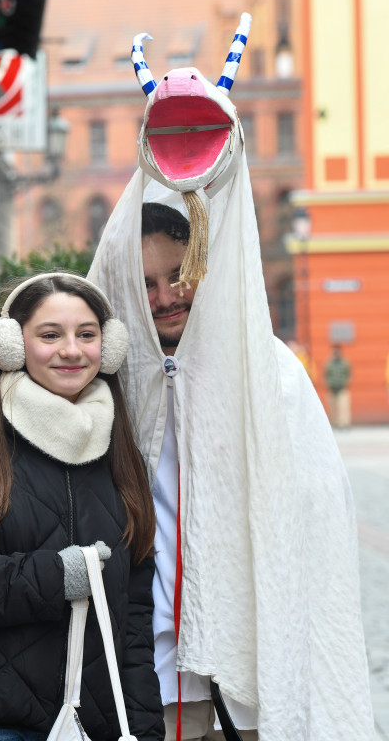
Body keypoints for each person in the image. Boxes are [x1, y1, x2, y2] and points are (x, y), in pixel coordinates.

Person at [89, 189, 374, 741]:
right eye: (145, 283)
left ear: (205, 268)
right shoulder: (109, 379)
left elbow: (314, 517)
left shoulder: (269, 372)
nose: (165, 296)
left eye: (178, 273)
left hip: (243, 673)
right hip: (147, 674)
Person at [0, 272, 165, 741]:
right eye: (50, 335)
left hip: (97, 725)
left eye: (87, 335)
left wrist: (144, 726)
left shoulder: (117, 443)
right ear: (12, 344)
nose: (72, 350)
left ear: (109, 345)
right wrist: (54, 578)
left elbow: (133, 616)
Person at [324, 344, 352, 428]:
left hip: (342, 388)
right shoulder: (328, 363)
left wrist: (346, 383)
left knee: (343, 407)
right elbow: (325, 375)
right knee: (332, 407)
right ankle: (334, 423)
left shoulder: (345, 362)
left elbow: (349, 374)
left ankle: (344, 423)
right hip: (331, 388)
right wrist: (328, 384)